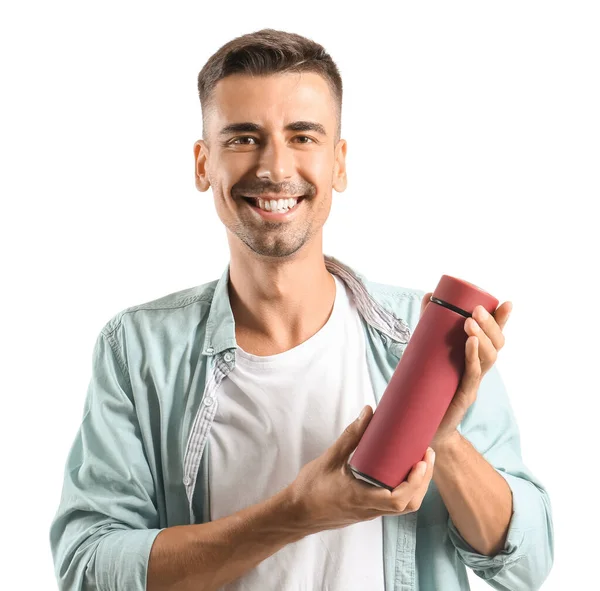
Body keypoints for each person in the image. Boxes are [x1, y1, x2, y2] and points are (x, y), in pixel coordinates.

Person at [49, 28, 554, 591]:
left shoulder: (424, 338)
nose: (275, 167)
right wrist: (298, 513)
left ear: (338, 163)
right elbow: (88, 569)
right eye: (244, 138)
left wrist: (443, 440)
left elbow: (527, 563)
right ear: (202, 163)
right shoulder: (138, 350)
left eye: (302, 136)